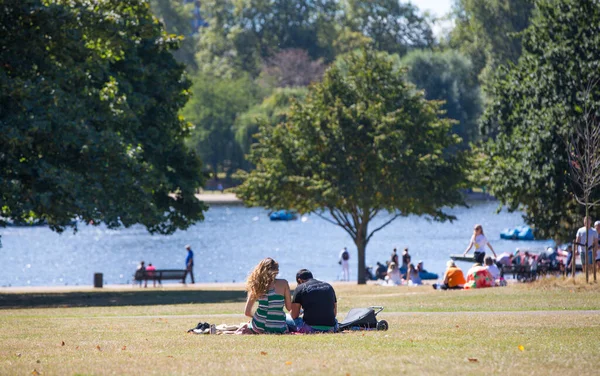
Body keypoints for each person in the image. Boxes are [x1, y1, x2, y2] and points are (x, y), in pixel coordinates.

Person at [244, 258, 291, 334]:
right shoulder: (284, 283)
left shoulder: (256, 285)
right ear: (276, 270)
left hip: (259, 326)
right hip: (279, 327)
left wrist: (257, 319)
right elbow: (289, 308)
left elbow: (247, 312)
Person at [289, 269, 337, 333]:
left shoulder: (300, 288)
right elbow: (334, 313)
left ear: (299, 280)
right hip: (332, 327)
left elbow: (294, 316)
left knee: (286, 319)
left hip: (310, 328)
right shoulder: (329, 286)